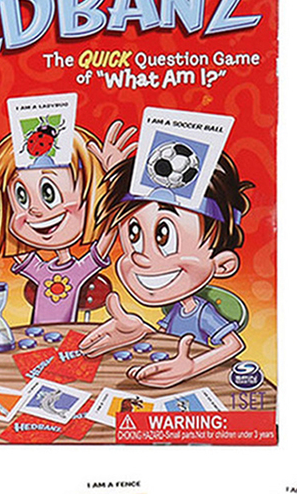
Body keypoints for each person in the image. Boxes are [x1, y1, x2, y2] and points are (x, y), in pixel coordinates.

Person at [79, 152, 252, 388]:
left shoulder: (203, 313)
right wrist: (139, 330)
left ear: (222, 264)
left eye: (163, 237)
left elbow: (234, 345)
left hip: (200, 384)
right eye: (134, 235)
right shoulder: (175, 309)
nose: (141, 257)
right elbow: (167, 338)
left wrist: (193, 367)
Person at [0, 121, 136, 324]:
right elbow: (0, 224)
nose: (34, 211)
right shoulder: (39, 270)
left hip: (69, 338)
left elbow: (109, 229)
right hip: (37, 337)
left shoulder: (79, 270)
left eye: (49, 194)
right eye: (21, 197)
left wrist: (116, 179)